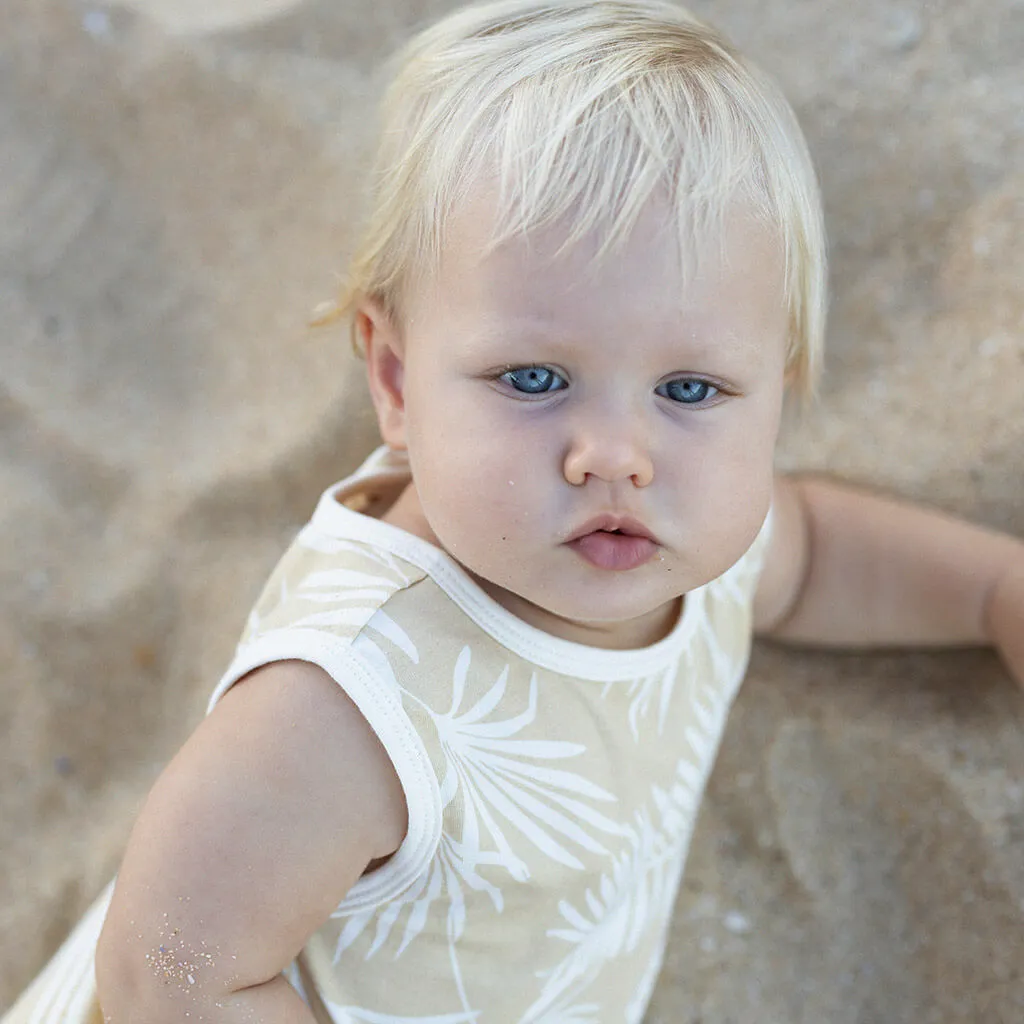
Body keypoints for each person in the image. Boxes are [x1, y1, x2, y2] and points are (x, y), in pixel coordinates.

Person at [5, 1, 1023, 1022]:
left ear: (776, 386)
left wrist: (990, 591)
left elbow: (814, 560)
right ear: (397, 381)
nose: (616, 456)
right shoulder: (345, 710)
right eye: (535, 377)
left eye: (689, 389)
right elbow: (167, 971)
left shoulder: (696, 536)